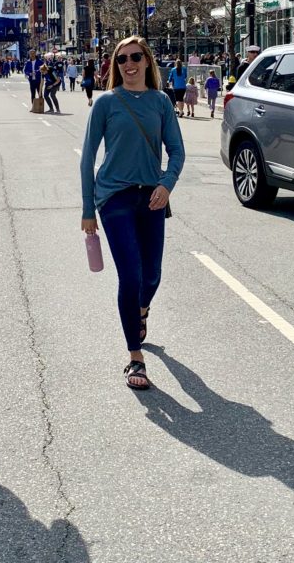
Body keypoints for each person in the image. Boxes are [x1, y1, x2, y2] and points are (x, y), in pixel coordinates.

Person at [80, 36, 185, 391]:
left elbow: (177, 151)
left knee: (152, 276)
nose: (129, 63)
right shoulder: (106, 103)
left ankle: (141, 312)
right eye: (122, 58)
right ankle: (135, 357)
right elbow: (87, 158)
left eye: (135, 57)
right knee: (131, 274)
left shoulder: (160, 102)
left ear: (147, 61)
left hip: (152, 197)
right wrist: (87, 209)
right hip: (114, 198)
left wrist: (166, 184)